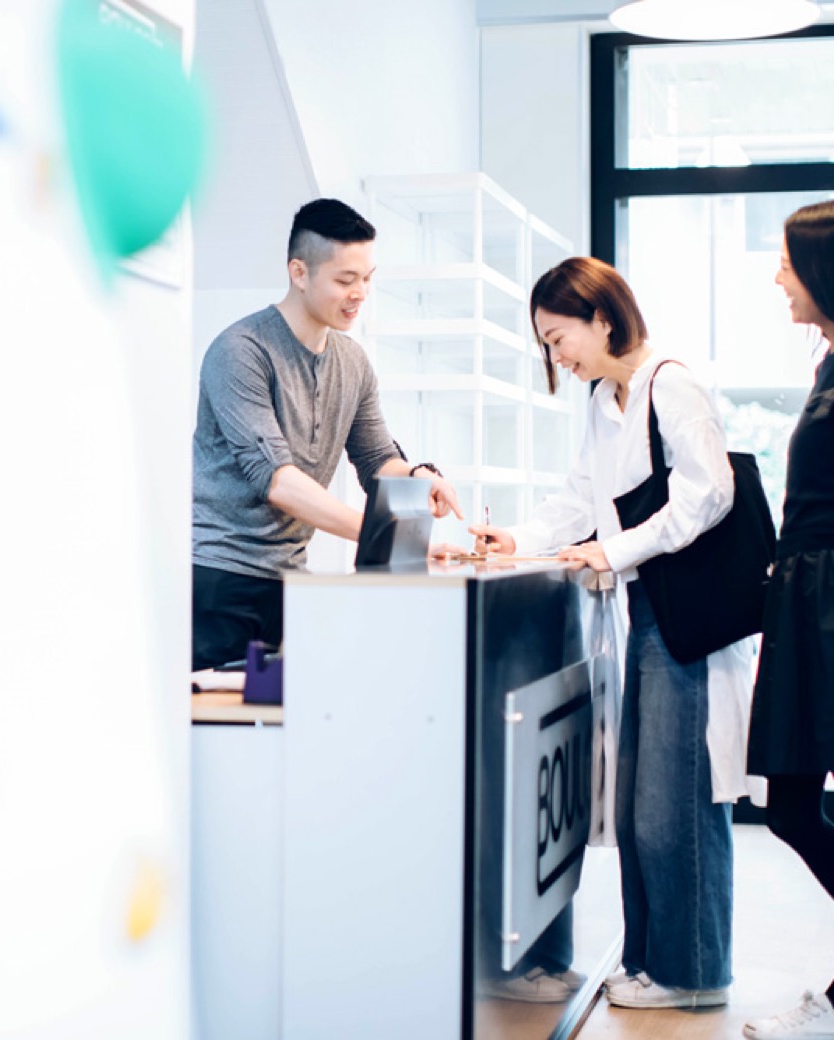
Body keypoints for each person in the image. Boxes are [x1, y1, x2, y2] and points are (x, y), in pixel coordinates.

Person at [469, 256, 752, 1010]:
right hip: (649, 615)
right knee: (638, 805)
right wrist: (520, 540)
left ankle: (693, 975)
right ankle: (656, 963)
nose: (556, 356)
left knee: (676, 803)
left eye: (558, 338)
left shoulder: (670, 384)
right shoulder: (605, 399)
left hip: (690, 624)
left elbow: (711, 495)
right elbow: (581, 498)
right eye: (546, 344)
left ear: (601, 318)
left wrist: (613, 550)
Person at [191, 198, 462, 671]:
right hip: (221, 578)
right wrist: (383, 538)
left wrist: (418, 477)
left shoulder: (353, 362)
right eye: (345, 280)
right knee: (223, 718)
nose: (360, 293)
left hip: (292, 580)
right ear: (299, 272)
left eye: (367, 278)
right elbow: (277, 481)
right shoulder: (240, 351)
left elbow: (377, 460)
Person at [741, 201, 834, 1040]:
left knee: (795, 804)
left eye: (786, 263)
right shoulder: (828, 360)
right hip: (805, 599)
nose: (777, 278)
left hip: (826, 602)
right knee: (790, 806)